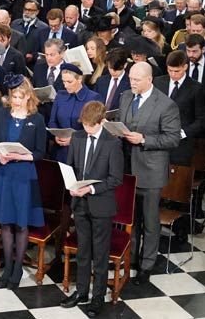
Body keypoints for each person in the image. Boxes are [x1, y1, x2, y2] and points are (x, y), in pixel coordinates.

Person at [117, 62, 181, 285]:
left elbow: (173, 138)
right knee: (129, 218)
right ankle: (131, 257)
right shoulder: (125, 96)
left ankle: (147, 264)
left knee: (150, 222)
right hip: (126, 169)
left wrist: (144, 139)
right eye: (131, 79)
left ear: (149, 80)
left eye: (136, 80)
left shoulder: (166, 105)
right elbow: (121, 123)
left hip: (151, 171)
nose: (132, 83)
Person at [0, 76, 46, 289]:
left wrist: (21, 156)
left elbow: (40, 152)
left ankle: (17, 269)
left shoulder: (37, 119)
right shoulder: (1, 114)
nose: (16, 100)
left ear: (29, 96)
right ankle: (7, 267)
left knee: (21, 223)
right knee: (5, 223)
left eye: (21, 96)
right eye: (14, 96)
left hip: (24, 175)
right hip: (3, 173)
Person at [60, 102, 124, 317]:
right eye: (84, 125)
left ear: (101, 122)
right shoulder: (77, 137)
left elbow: (116, 179)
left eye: (91, 126)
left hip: (101, 205)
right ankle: (81, 291)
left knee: (100, 253)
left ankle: (98, 297)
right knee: (83, 251)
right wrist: (72, 186)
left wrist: (91, 189)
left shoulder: (112, 143)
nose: (87, 129)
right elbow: (70, 168)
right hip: (79, 204)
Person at [48, 63, 103, 163]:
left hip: (82, 151)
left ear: (79, 79)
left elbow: (95, 128)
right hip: (60, 151)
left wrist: (73, 139)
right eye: (63, 81)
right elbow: (52, 121)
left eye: (69, 82)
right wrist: (56, 135)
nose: (65, 85)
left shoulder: (93, 98)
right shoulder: (60, 95)